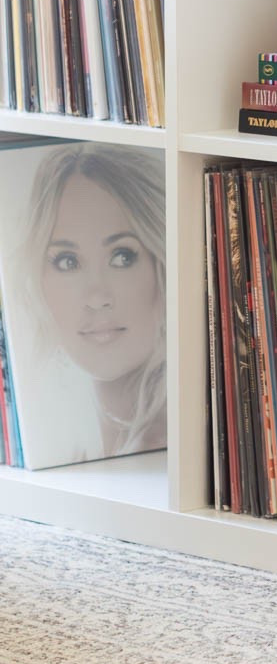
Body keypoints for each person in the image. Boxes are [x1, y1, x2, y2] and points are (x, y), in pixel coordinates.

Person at [23, 144, 167, 459]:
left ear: (162, 265)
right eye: (67, 262)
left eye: (122, 256)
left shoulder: (165, 441)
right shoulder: (64, 444)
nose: (97, 297)